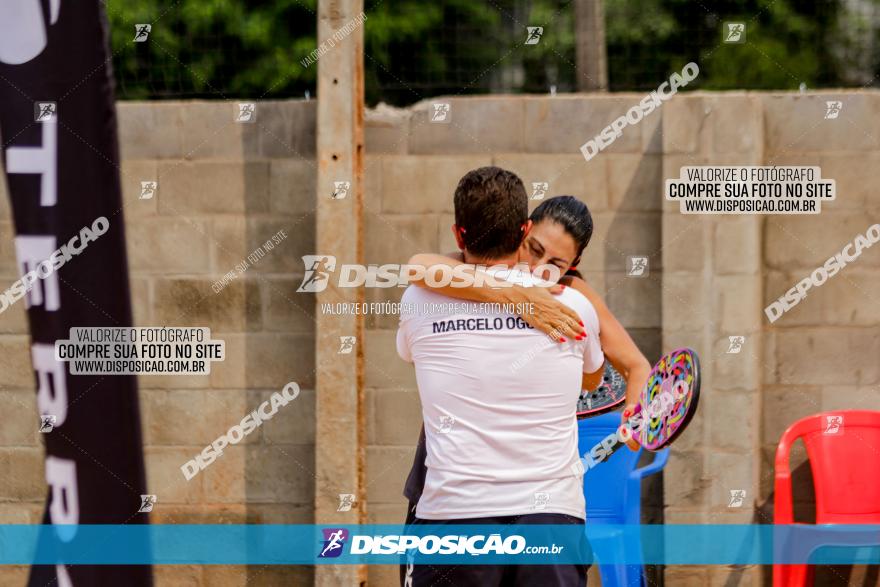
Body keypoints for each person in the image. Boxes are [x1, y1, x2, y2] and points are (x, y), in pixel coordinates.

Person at [399, 194, 652, 585]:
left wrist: (637, 419)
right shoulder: (468, 273)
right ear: (523, 232)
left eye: (557, 263)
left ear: (574, 266)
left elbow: (637, 366)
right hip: (448, 484)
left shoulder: (573, 297)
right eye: (534, 251)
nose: (539, 269)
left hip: (539, 496)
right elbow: (418, 266)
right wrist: (517, 296)